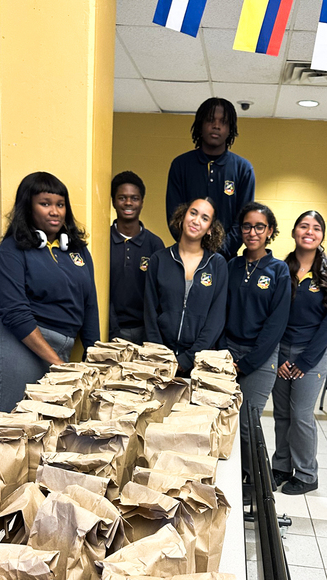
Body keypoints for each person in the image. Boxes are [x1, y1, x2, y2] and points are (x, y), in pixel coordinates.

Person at [0, 171, 99, 413]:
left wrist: (95, 355)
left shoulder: (77, 250)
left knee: (52, 424)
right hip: (21, 344)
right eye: (45, 204)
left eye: (60, 204)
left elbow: (90, 304)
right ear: (28, 207)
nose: (54, 211)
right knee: (15, 424)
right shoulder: (11, 250)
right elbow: (14, 312)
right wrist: (57, 363)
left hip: (61, 345)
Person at [272, 210, 327, 495]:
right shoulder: (281, 269)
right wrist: (278, 357)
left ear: (322, 236)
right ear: (294, 232)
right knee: (281, 414)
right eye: (303, 226)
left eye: (316, 228)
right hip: (281, 351)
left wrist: (304, 360)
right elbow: (273, 316)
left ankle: (306, 473)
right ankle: (281, 466)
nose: (309, 231)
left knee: (301, 415)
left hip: (310, 354)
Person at [221, 202, 291, 480]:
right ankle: (231, 480)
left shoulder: (279, 270)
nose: (252, 232)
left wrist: (248, 363)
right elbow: (221, 312)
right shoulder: (231, 266)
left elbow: (276, 323)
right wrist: (225, 355)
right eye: (247, 226)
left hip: (260, 359)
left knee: (248, 425)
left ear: (270, 231)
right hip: (228, 353)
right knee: (225, 420)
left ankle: (257, 481)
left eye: (259, 227)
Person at [144, 197, 227, 375]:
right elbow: (150, 312)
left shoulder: (217, 264)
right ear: (183, 216)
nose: (196, 221)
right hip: (159, 361)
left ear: (210, 229)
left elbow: (216, 318)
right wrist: (160, 355)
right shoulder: (159, 259)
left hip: (199, 362)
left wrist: (188, 358)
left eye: (205, 218)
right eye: (193, 213)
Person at [166, 97, 255, 261]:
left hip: (226, 262)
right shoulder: (181, 165)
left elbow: (243, 221)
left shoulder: (243, 169)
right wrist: (194, 248)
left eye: (223, 122)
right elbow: (175, 216)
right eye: (210, 120)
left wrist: (219, 253)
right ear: (200, 125)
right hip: (186, 258)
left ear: (230, 129)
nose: (216, 126)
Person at [109, 170, 164, 343]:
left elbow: (160, 295)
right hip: (109, 329)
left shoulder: (155, 245)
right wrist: (112, 330)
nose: (128, 203)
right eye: (122, 197)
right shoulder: (102, 241)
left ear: (141, 202)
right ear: (113, 201)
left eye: (134, 198)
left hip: (145, 332)